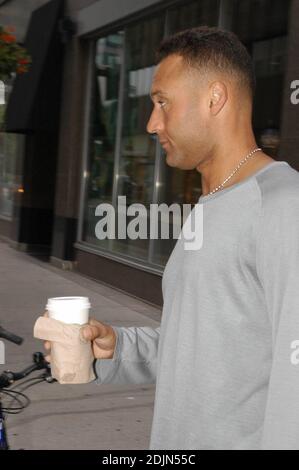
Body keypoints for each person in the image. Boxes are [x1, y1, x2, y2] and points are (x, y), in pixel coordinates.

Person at [45, 26, 299, 450]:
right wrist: (117, 349)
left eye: (162, 102)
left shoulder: (283, 205)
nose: (151, 122)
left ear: (215, 98)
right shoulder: (212, 203)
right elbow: (201, 343)